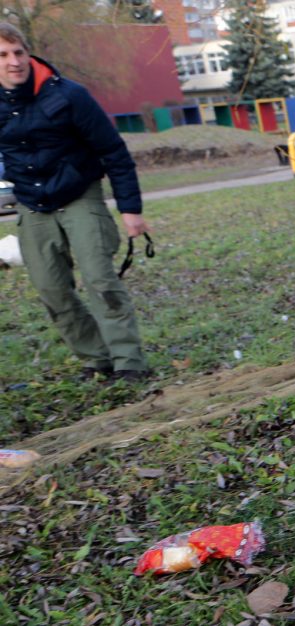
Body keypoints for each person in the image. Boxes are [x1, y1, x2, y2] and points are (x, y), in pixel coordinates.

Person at [0, 22, 151, 382]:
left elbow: (113, 150)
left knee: (101, 281)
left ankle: (129, 361)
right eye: (3, 56)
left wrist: (131, 209)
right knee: (52, 289)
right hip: (32, 204)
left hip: (80, 195)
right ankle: (96, 357)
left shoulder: (69, 95)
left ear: (27, 52)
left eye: (18, 52)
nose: (14, 61)